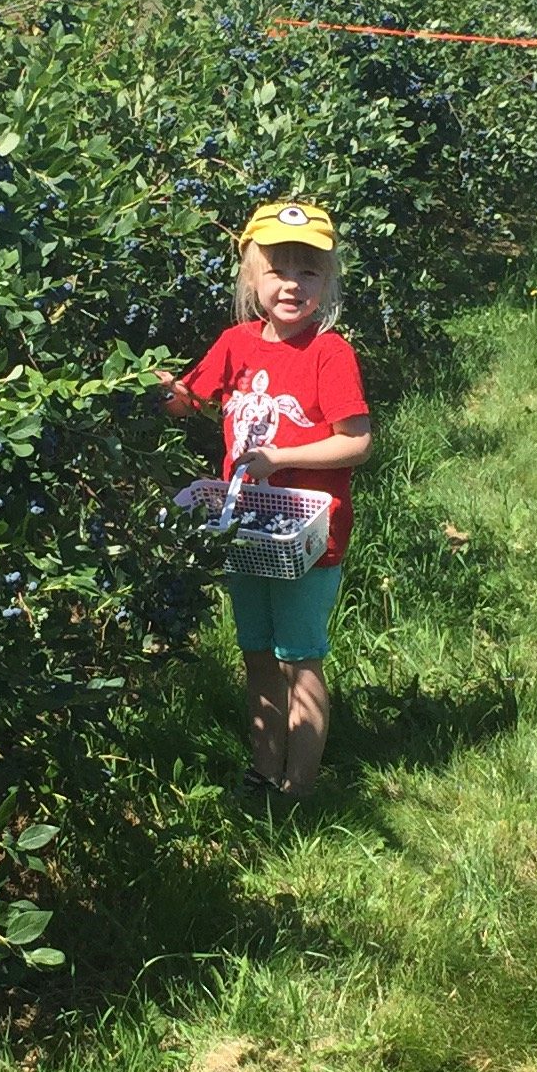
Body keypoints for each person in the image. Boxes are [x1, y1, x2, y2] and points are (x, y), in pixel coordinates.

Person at [161, 197, 372, 801]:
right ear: (251, 277)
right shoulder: (235, 343)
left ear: (327, 282)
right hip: (246, 528)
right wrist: (144, 387)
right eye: (278, 269)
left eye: (309, 271)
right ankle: (263, 772)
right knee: (256, 653)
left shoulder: (329, 353)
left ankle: (299, 788)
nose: (292, 285)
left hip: (310, 537)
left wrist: (281, 458)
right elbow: (189, 400)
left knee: (299, 658)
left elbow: (355, 443)